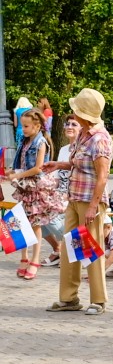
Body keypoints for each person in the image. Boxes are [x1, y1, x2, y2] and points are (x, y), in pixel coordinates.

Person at [44, 88, 113, 315]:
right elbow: (78, 163)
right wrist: (59, 164)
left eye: (77, 111)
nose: (74, 115)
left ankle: (99, 300)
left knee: (91, 249)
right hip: (75, 198)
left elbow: (102, 177)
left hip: (89, 201)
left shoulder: (100, 139)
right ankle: (69, 298)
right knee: (69, 249)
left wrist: (94, 206)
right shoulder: (84, 134)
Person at [6, 108, 65, 280]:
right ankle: (24, 256)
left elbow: (38, 168)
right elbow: (22, 163)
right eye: (23, 126)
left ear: (37, 126)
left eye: (26, 126)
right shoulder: (24, 141)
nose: (23, 129)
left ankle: (35, 259)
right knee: (22, 222)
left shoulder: (41, 143)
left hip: (36, 188)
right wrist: (11, 171)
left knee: (36, 224)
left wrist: (18, 175)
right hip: (25, 186)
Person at [41, 114, 82, 267]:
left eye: (74, 124)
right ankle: (58, 249)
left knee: (48, 214)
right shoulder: (64, 149)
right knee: (35, 212)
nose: (69, 127)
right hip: (60, 194)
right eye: (67, 124)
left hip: (74, 195)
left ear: (81, 129)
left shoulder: (81, 149)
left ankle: (75, 250)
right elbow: (57, 178)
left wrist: (64, 196)